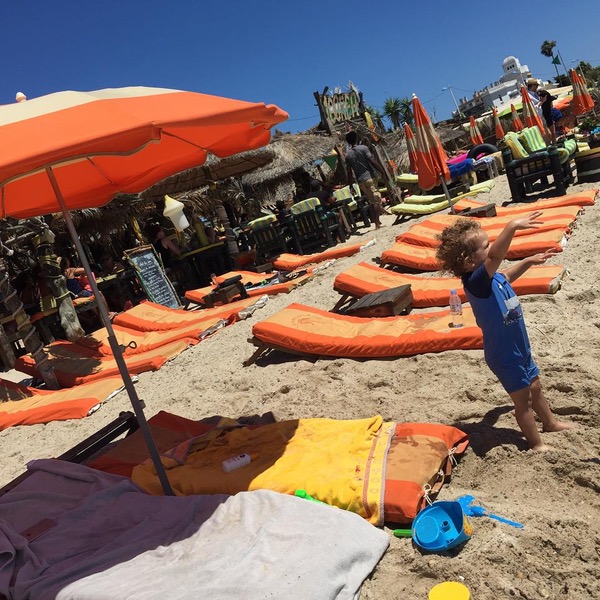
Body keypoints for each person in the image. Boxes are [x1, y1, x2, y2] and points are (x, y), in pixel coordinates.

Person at [435, 213, 574, 451]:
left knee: (535, 387)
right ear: (469, 261)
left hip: (520, 347)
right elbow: (496, 257)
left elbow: (507, 276)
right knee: (524, 401)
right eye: (485, 247)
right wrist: (512, 226)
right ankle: (536, 444)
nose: (491, 249)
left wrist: (528, 262)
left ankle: (550, 423)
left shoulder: (490, 278)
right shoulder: (475, 282)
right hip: (504, 354)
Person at [344, 131, 384, 229]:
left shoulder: (348, 155)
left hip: (360, 182)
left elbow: (349, 172)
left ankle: (377, 220)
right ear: (356, 138)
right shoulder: (363, 148)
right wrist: (382, 171)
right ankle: (377, 222)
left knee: (372, 200)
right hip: (369, 177)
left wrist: (350, 186)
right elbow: (372, 160)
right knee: (376, 200)